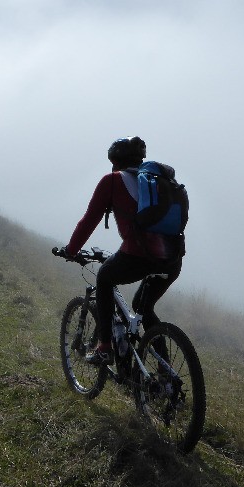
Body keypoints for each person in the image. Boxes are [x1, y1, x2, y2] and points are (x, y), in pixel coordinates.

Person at [60, 136, 184, 365]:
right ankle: (165, 371)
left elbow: (89, 220)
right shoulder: (158, 184)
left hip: (138, 255)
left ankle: (104, 348)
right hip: (172, 258)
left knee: (105, 277)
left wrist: (71, 249)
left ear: (115, 160)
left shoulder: (112, 181)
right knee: (143, 308)